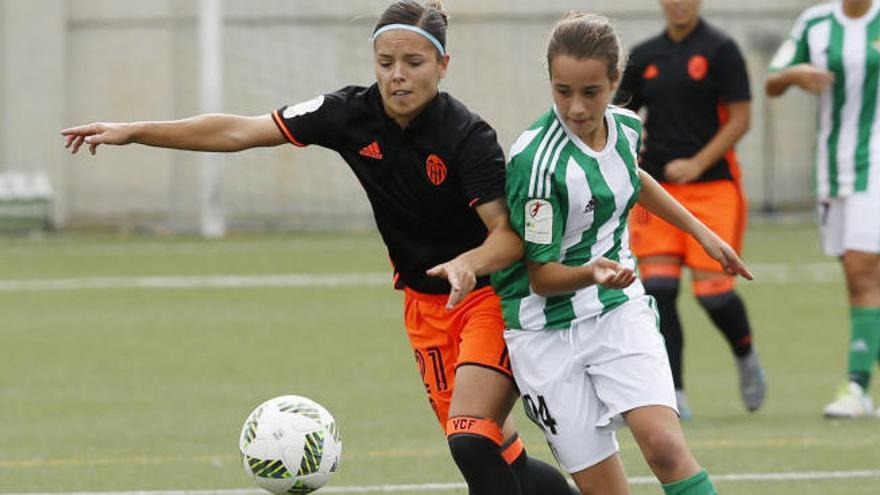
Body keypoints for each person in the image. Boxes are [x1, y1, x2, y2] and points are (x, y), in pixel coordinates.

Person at [60, 1, 574, 493]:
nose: (397, 75)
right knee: (498, 454)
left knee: (471, 439)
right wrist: (136, 131)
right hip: (425, 308)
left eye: (414, 63)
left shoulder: (467, 136)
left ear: (443, 66)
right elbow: (239, 131)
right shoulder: (348, 113)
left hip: (487, 298)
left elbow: (508, 236)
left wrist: (467, 263)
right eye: (386, 62)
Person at [492, 12, 754, 495]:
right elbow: (540, 277)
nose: (575, 107)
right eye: (562, 91)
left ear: (615, 80)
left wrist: (703, 234)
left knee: (665, 447)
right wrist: (591, 272)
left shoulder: (628, 127)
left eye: (590, 92)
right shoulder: (535, 162)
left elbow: (632, 176)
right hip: (544, 332)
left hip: (617, 309)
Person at [613, 0, 765, 419]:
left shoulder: (721, 50)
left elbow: (740, 120)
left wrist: (697, 163)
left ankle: (745, 353)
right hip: (657, 192)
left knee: (714, 296)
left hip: (713, 187)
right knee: (659, 290)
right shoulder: (645, 56)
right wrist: (628, 153)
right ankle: (673, 392)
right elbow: (618, 116)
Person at [766, 0, 880, 419]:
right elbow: (773, 80)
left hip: (876, 168)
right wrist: (795, 75)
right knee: (858, 277)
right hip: (832, 170)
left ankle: (857, 387)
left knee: (861, 271)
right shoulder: (815, 22)